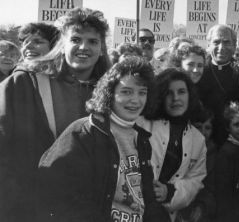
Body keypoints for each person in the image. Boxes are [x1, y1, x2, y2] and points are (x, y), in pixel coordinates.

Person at [0, 7, 111, 222]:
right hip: (30, 205)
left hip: (86, 207)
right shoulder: (25, 82)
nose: (83, 48)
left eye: (92, 42)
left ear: (102, 48)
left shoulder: (108, 91)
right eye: (76, 39)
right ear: (62, 44)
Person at [38, 57, 168, 222]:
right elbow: (56, 193)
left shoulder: (142, 139)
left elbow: (147, 200)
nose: (135, 100)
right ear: (109, 93)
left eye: (142, 92)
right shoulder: (83, 133)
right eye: (126, 91)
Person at [137, 68, 207, 222]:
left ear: (190, 95)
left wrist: (169, 191)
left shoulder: (198, 139)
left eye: (181, 91)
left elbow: (195, 180)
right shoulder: (141, 124)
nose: (176, 98)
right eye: (169, 93)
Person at [197, 24, 239, 145]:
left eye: (227, 42)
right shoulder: (199, 70)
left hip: (234, 138)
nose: (221, 47)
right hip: (203, 137)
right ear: (208, 45)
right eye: (216, 42)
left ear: (234, 46)